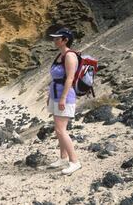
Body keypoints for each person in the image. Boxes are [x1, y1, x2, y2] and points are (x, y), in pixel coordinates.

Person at [47, 28, 81, 175]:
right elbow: (56, 78)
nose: (54, 40)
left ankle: (75, 162)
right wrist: (50, 96)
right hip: (55, 95)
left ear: (65, 40)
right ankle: (63, 158)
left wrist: (62, 98)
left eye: (57, 38)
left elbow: (70, 78)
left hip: (65, 97)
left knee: (61, 130)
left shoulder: (70, 56)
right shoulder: (59, 55)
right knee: (58, 130)